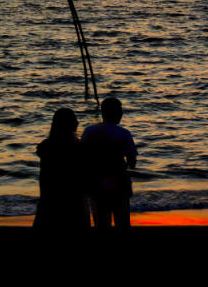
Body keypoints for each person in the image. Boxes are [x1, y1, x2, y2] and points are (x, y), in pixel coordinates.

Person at [80, 97, 138, 229]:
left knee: (101, 222)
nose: (122, 113)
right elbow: (132, 162)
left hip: (96, 182)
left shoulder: (89, 131)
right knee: (122, 221)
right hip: (119, 182)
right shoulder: (124, 133)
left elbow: (82, 157)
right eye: (120, 111)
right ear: (117, 113)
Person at [34, 107, 90, 231]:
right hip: (73, 202)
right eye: (74, 120)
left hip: (49, 201)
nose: (77, 123)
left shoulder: (46, 146)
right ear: (69, 124)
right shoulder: (76, 147)